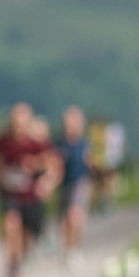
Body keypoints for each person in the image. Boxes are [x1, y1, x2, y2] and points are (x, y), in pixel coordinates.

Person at [0, 101, 58, 277]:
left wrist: (44, 180)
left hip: (29, 196)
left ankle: (20, 258)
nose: (17, 128)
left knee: (26, 235)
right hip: (9, 193)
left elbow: (52, 164)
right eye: (14, 124)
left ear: (28, 124)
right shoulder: (1, 141)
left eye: (21, 125)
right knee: (10, 223)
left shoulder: (36, 143)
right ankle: (12, 265)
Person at [55, 103, 92, 260]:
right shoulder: (59, 145)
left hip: (80, 183)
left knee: (75, 215)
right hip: (64, 185)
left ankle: (75, 248)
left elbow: (90, 165)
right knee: (64, 219)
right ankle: (67, 248)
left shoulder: (83, 145)